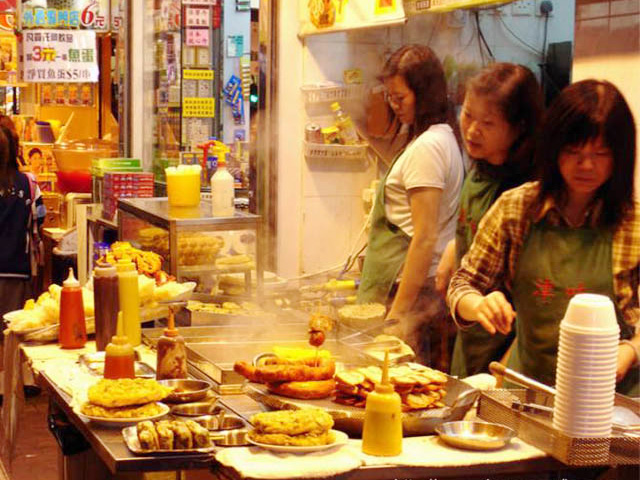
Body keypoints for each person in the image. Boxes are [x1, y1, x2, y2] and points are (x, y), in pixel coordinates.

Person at [447, 79, 639, 395]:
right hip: (531, 392)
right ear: (553, 149)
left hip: (612, 402)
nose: (586, 165)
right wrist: (479, 304)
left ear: (620, 156)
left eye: (601, 153)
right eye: (574, 151)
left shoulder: (633, 224)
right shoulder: (516, 209)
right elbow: (461, 286)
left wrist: (630, 351)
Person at [435, 63, 544, 377]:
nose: (471, 130)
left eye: (488, 123)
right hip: (469, 321)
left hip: (506, 346)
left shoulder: (527, 194)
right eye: (468, 114)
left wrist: (508, 368)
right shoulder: (482, 166)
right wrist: (455, 247)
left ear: (519, 127)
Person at [357, 45, 464, 365]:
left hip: (414, 292)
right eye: (390, 96)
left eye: (400, 98)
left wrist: (397, 316)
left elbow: (425, 237)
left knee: (405, 391)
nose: (394, 105)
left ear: (425, 94)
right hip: (422, 290)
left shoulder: (428, 147)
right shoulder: (440, 138)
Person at [0, 116, 45, 318]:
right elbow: (41, 216)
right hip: (16, 271)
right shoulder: (29, 183)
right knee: (12, 335)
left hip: (15, 271)